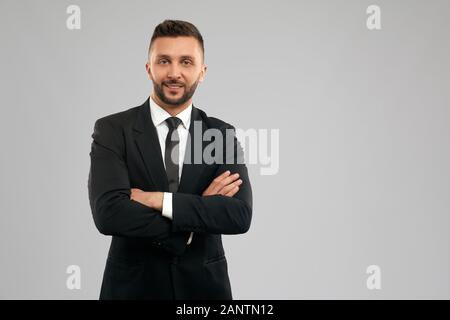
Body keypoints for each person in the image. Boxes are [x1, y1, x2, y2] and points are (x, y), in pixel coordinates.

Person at [87, 19, 253, 300]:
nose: (174, 73)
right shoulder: (113, 130)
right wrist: (196, 215)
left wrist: (157, 200)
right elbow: (109, 214)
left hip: (204, 292)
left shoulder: (220, 134)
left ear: (202, 72)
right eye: (164, 61)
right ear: (149, 68)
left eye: (186, 62)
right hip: (132, 290)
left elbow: (238, 215)